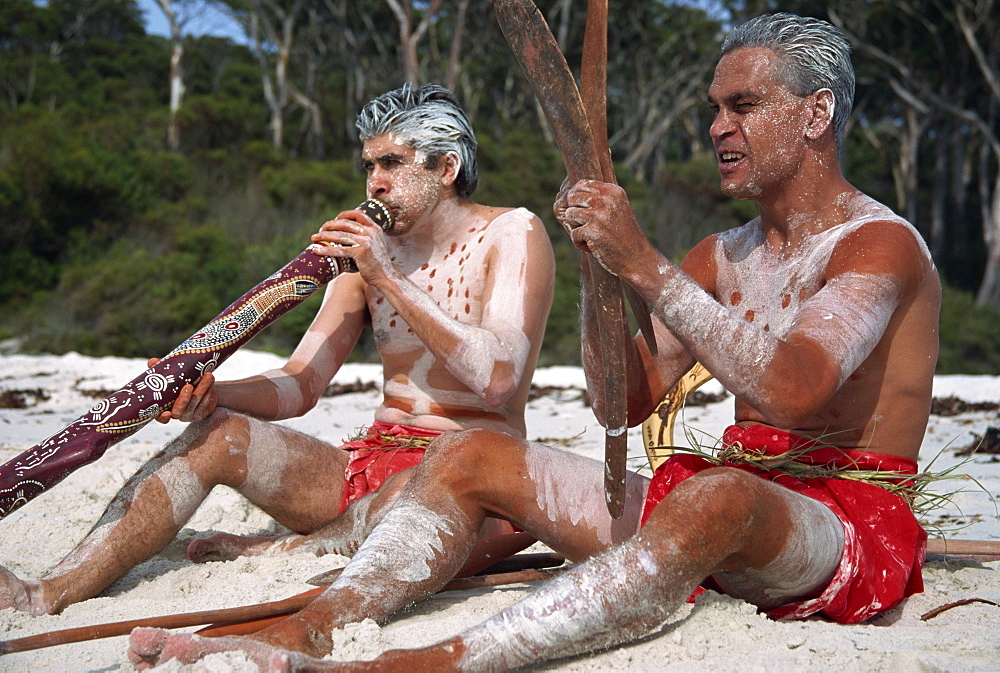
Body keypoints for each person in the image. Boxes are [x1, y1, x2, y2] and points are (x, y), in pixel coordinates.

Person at [125, 13, 941, 672]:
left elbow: (798, 388)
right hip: (708, 507)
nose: (717, 126)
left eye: (742, 106)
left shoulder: (879, 245)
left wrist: (645, 264)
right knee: (474, 452)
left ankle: (439, 659)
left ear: (817, 113)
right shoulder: (720, 256)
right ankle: (321, 621)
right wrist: (604, 277)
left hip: (837, 523)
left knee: (721, 495)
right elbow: (621, 401)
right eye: (712, 108)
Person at [0, 83, 555, 616]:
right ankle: (49, 591)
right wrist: (215, 394)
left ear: (446, 168)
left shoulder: (510, 233)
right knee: (217, 436)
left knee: (426, 480)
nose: (375, 183)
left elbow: (499, 377)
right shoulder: (369, 254)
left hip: (469, 479)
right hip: (369, 466)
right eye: (369, 166)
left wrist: (386, 277)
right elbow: (302, 383)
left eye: (393, 163)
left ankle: (282, 550)